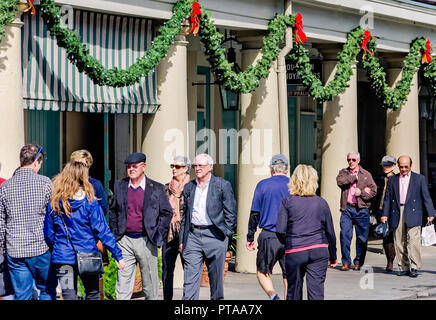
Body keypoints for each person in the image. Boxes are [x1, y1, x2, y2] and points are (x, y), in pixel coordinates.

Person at [44, 161, 125, 300]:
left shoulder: (54, 202)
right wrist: (117, 254)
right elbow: (103, 230)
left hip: (63, 256)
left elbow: (49, 233)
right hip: (88, 253)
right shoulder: (90, 202)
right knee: (93, 293)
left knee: (69, 295)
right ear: (83, 177)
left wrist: (59, 245)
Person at [108, 152, 172, 300]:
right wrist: (116, 234)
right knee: (122, 286)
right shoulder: (120, 185)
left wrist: (157, 235)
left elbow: (167, 213)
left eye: (135, 166)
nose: (131, 169)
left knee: (150, 286)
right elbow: (112, 211)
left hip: (147, 241)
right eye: (128, 167)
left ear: (144, 167)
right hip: (125, 241)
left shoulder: (156, 188)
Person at [0, 144, 56, 300]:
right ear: (36, 161)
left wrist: (3, 249)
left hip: (15, 250)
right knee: (46, 290)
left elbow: (1, 224)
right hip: (40, 249)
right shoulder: (45, 183)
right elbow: (54, 216)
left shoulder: (5, 187)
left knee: (22, 295)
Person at [179, 154, 237, 300]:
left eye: (201, 166)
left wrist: (226, 235)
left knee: (216, 281)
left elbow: (231, 212)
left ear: (210, 167)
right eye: (196, 166)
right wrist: (182, 240)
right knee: (190, 280)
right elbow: (185, 216)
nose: (197, 169)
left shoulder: (222, 185)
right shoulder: (189, 187)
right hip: (193, 236)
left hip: (215, 236)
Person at [276, 164, 337, 300]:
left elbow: (280, 230)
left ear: (294, 180)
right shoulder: (322, 203)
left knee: (294, 291)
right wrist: (333, 255)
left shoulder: (287, 202)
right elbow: (330, 233)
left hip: (295, 250)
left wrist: (288, 245)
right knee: (316, 293)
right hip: (318, 250)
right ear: (314, 181)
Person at [381, 155, 435, 278]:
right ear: (398, 166)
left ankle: (415, 267)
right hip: (397, 211)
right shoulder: (392, 180)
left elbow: (426, 197)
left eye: (406, 167)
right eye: (401, 167)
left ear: (410, 166)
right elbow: (387, 199)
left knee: (414, 241)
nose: (404, 169)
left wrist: (430, 213)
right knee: (399, 241)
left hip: (414, 211)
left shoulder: (419, 178)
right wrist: (384, 214)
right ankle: (403, 267)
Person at [246, 154, 289, 300]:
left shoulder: (262, 185)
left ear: (271, 169)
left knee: (262, 271)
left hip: (269, 235)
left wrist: (250, 236)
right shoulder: (293, 185)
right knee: (288, 274)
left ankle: (273, 296)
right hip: (291, 236)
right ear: (287, 169)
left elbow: (255, 213)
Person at [336, 151, 376, 271]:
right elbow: (340, 181)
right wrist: (354, 177)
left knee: (362, 238)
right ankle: (346, 262)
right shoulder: (344, 172)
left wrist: (362, 193)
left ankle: (358, 262)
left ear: (358, 161)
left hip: (361, 209)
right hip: (347, 208)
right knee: (345, 236)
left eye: (353, 160)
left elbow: (374, 191)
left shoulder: (366, 174)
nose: (351, 162)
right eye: (349, 160)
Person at [162, 155, 191, 300]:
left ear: (186, 169)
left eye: (177, 167)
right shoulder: (165, 188)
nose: (174, 169)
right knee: (167, 271)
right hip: (169, 235)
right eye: (172, 166)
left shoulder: (192, 188)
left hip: (187, 235)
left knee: (190, 270)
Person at [371, 155, 397, 272]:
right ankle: (390, 261)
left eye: (388, 165)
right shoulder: (378, 178)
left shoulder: (397, 179)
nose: (385, 167)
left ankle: (399, 259)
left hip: (394, 212)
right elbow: (374, 193)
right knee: (386, 237)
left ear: (393, 166)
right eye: (384, 165)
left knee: (396, 237)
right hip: (380, 211)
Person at [70, 149, 107, 215]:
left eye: (82, 164)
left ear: (88, 166)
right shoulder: (66, 183)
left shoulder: (95, 184)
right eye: (76, 164)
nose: (79, 167)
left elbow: (103, 209)